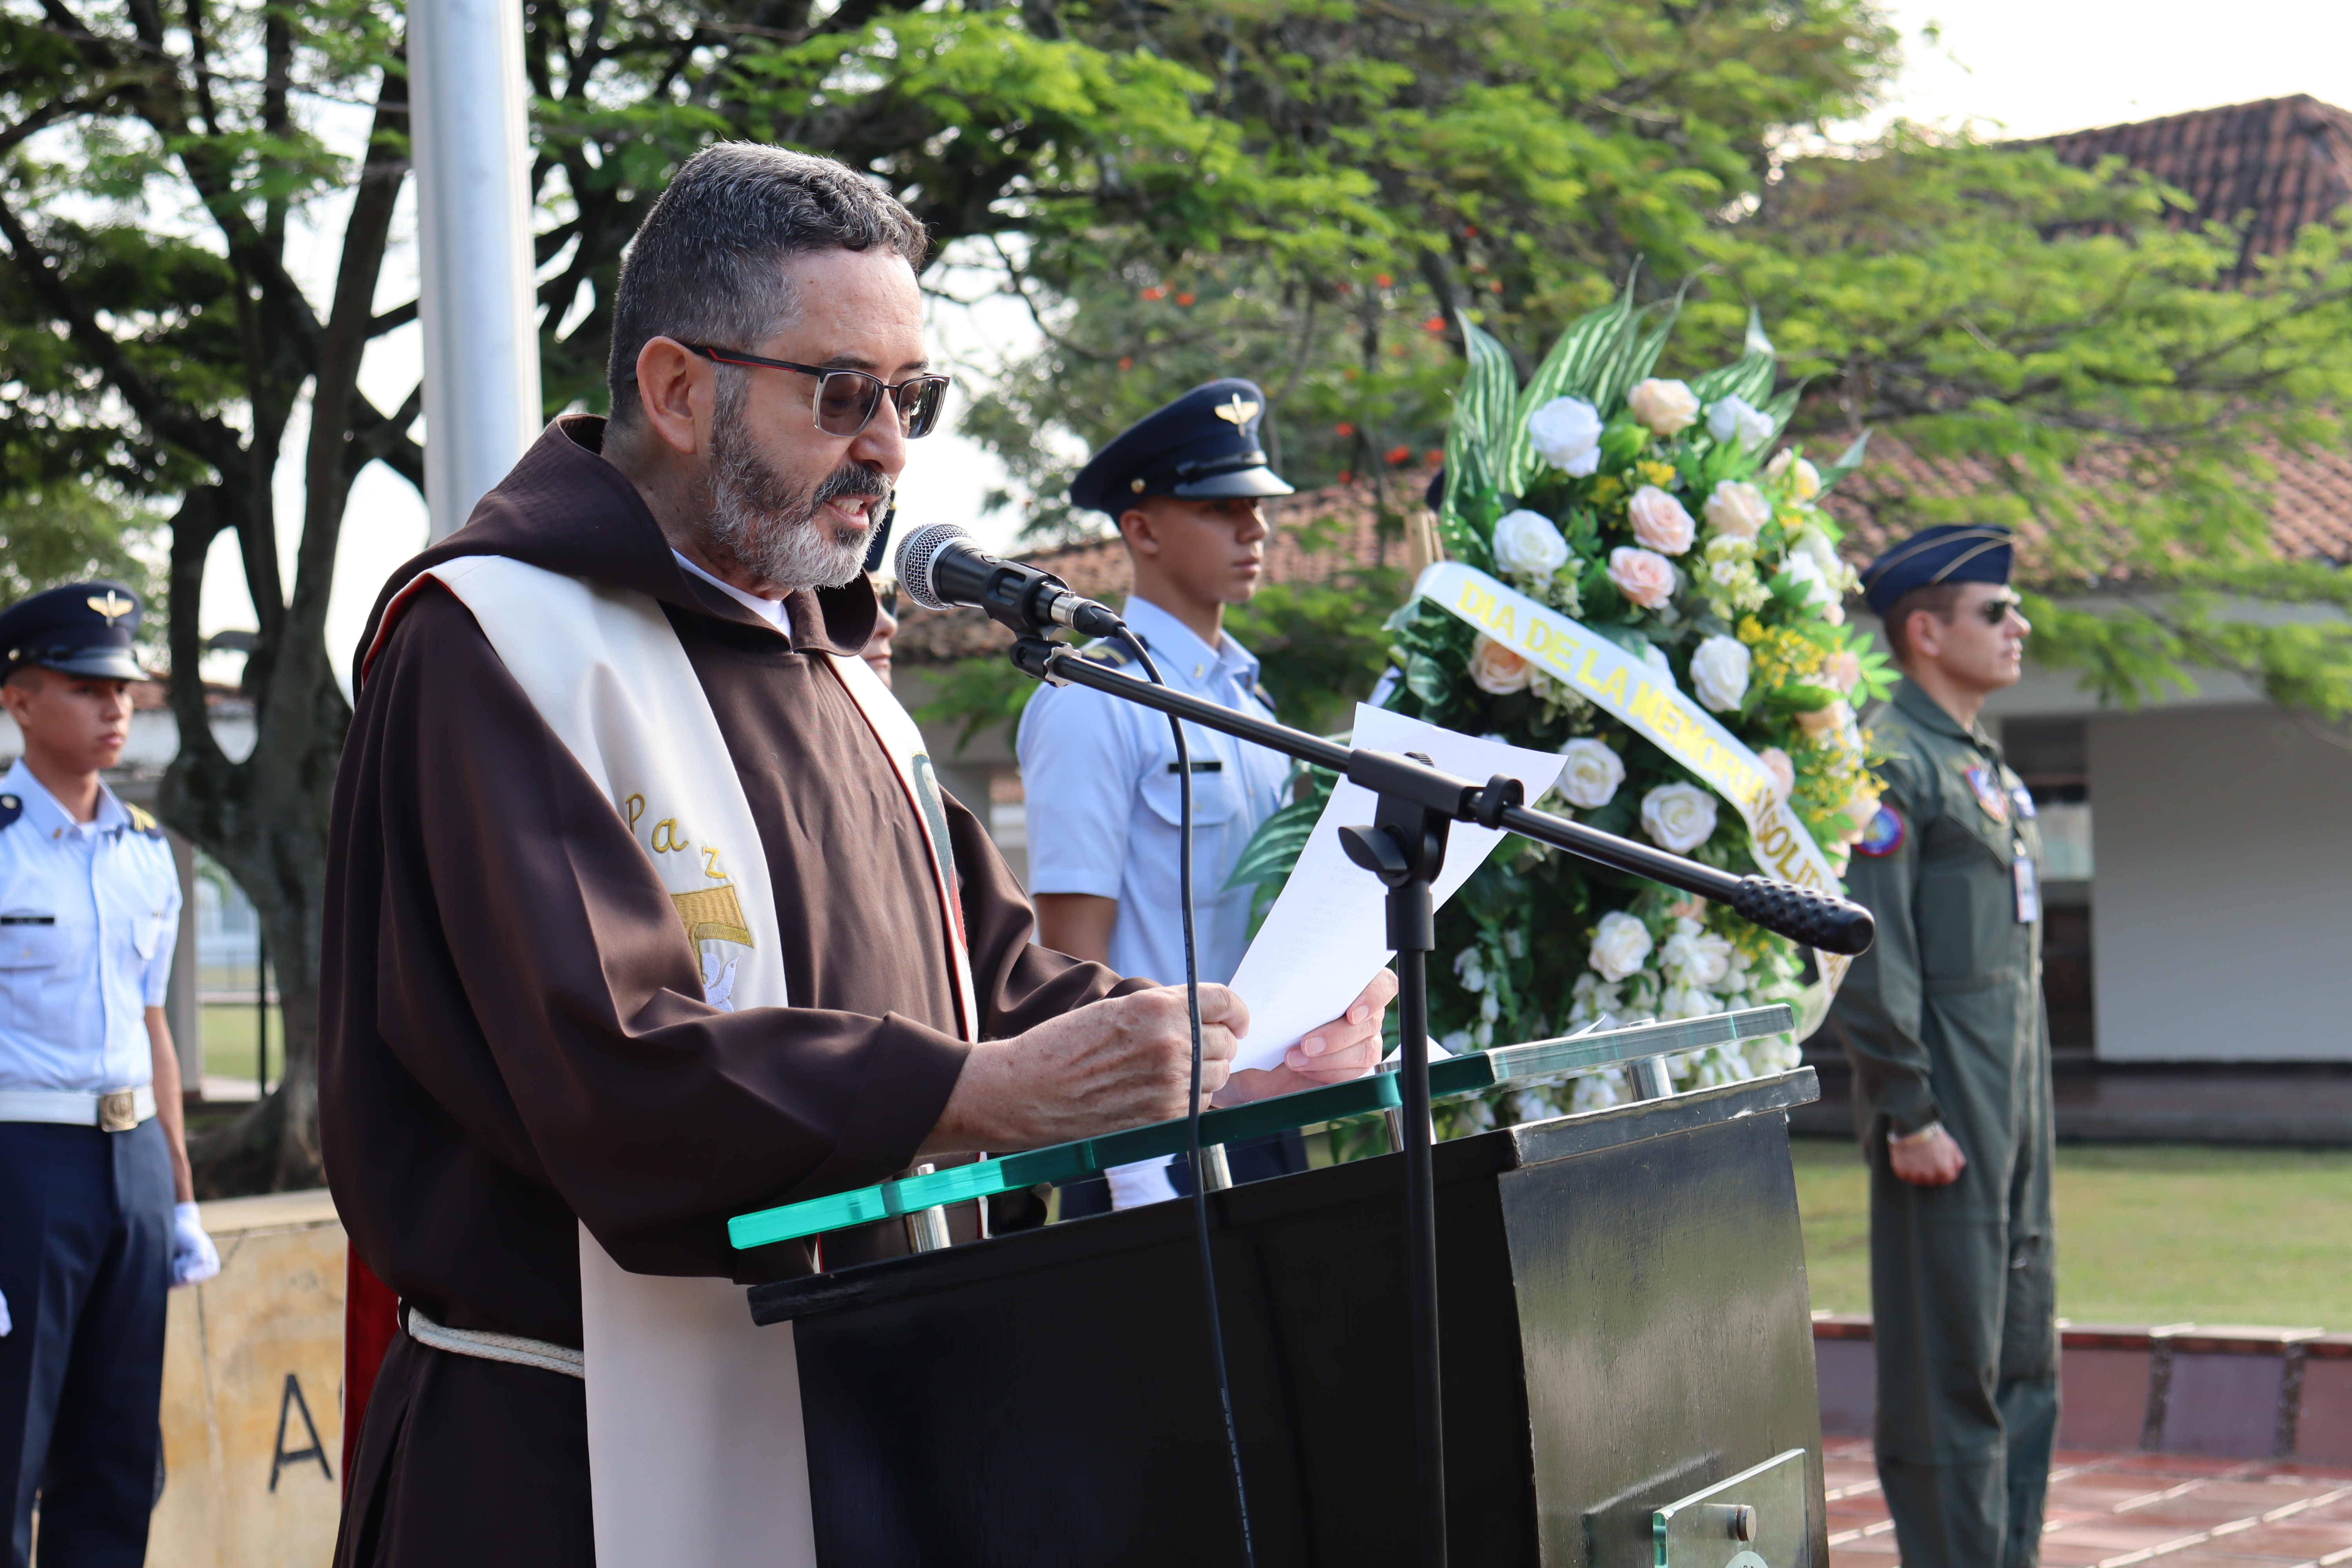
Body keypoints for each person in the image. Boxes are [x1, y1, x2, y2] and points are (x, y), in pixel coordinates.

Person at [319, 142, 1394, 1568]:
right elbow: (603, 1060)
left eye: (911, 399)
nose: (889, 447)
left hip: (877, 1428)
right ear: (677, 390)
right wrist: (974, 1095)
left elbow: (989, 973)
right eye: (843, 395)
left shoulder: (833, 665)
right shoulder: (497, 645)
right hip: (577, 1460)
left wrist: (1231, 1055)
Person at [1017, 379, 1334, 1212]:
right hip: (1155, 1138)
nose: (1254, 528)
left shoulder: (1251, 705)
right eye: (1220, 508)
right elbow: (1073, 956)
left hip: (1262, 1105)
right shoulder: (1093, 701)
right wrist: (1133, 1163)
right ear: (1142, 528)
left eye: (1256, 507)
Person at [1829, 524, 2054, 1568]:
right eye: (1995, 611)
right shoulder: (1892, 763)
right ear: (1925, 631)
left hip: (2018, 1098)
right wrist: (1908, 1107)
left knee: (2023, 1349)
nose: (2020, 626)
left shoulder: (1979, 763)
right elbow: (1872, 952)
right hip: (1946, 1104)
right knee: (1946, 1365)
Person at [0, 581, 218, 1567]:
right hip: (23, 1167)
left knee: (118, 1459)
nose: (115, 707)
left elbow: (151, 1026)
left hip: (130, 1169)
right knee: (10, 1452)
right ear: (20, 699)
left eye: (123, 689)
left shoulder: (146, 853)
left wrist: (180, 1196)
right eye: (87, 687)